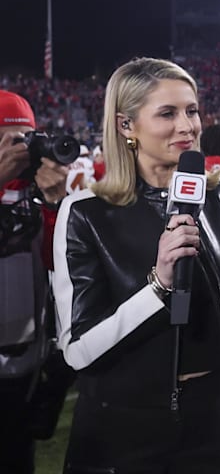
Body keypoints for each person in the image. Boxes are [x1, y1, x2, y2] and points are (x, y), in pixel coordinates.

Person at [52, 58, 220, 473]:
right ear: (126, 126)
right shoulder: (86, 212)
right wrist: (158, 286)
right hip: (122, 428)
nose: (188, 126)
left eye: (192, 110)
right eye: (168, 113)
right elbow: (78, 350)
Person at [0, 91, 69, 474]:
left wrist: (58, 202)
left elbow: (64, 265)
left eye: (26, 139)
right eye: (9, 140)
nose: (20, 151)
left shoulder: (32, 199)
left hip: (23, 369)